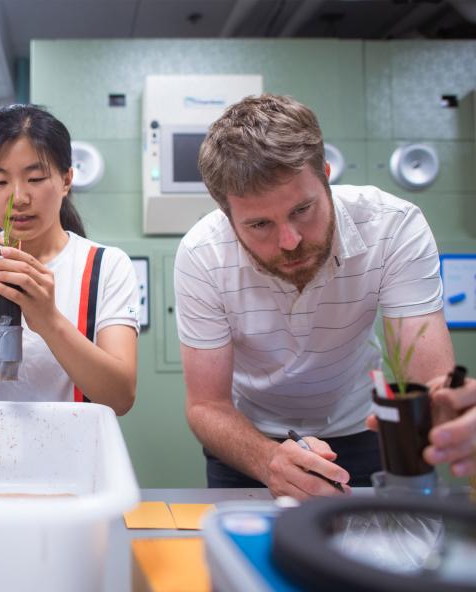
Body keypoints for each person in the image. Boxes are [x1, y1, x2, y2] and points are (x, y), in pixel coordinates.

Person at [174, 93, 455, 499]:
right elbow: (207, 406)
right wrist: (268, 460)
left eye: (303, 210)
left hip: (362, 432)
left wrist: (449, 410)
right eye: (259, 225)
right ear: (226, 215)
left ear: (325, 174)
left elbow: (427, 380)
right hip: (249, 442)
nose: (290, 241)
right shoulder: (203, 253)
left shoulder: (393, 227)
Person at [0, 104, 139, 414]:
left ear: (66, 179)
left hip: (75, 456)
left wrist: (48, 320)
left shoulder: (107, 267)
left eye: (35, 179)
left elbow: (120, 398)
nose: (18, 198)